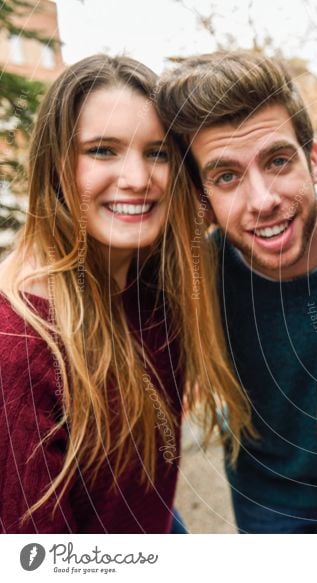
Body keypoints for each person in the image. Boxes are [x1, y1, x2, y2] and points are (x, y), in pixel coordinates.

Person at [0, 55, 251, 533]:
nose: (137, 179)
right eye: (102, 150)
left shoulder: (155, 285)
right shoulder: (17, 344)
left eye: (157, 153)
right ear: (55, 164)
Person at [156, 51, 317, 534]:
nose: (263, 200)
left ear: (313, 159)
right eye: (226, 176)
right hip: (267, 490)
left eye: (278, 160)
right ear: (203, 200)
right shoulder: (194, 282)